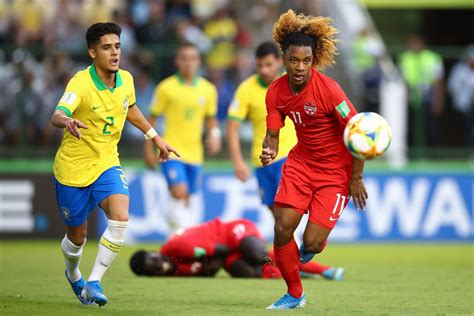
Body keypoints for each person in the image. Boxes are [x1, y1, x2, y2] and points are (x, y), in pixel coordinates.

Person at [50, 22, 178, 307]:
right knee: (77, 237)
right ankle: (74, 274)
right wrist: (67, 120)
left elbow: (130, 109)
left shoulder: (127, 80)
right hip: (72, 169)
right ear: (92, 53)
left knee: (120, 218)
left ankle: (94, 282)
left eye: (117, 46)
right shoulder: (80, 83)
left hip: (107, 163)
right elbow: (57, 114)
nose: (114, 53)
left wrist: (155, 137)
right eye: (107, 47)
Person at [259, 10, 368, 309]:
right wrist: (268, 150)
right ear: (284, 58)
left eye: (306, 61)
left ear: (313, 59)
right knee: (282, 229)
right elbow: (272, 135)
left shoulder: (330, 90)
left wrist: (356, 178)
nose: (300, 67)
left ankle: (306, 252)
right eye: (294, 60)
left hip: (336, 173)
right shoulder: (276, 92)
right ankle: (295, 294)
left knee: (312, 244)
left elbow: (358, 131)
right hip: (301, 165)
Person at [144, 42, 221, 230]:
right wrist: (148, 150)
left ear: (199, 61)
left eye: (193, 59)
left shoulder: (208, 90)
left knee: (187, 198)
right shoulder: (166, 88)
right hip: (170, 150)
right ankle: (184, 237)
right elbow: (150, 121)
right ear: (177, 61)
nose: (189, 63)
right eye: (184, 59)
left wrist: (215, 134)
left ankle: (175, 236)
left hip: (195, 153)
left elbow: (211, 119)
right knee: (179, 192)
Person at [129, 218, 343, 280]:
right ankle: (299, 274)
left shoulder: (177, 246)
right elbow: (209, 271)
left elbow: (219, 249)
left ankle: (323, 269)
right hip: (226, 256)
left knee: (259, 256)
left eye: (154, 261)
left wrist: (212, 265)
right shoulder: (173, 272)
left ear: (155, 253)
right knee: (250, 272)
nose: (160, 267)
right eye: (153, 270)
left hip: (232, 233)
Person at [227, 42, 297, 213]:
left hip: (290, 156)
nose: (264, 70)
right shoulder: (246, 89)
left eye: (268, 65)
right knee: (277, 217)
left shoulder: (294, 83)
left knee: (287, 212)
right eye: (260, 65)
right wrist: (238, 161)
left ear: (280, 61)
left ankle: (302, 236)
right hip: (262, 160)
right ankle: (295, 238)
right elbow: (232, 128)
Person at [399, 35, 444, 150]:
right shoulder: (405, 57)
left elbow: (438, 81)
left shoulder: (433, 57)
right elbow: (402, 80)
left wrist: (438, 100)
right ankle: (413, 153)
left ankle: (432, 154)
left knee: (431, 128)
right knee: (412, 128)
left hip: (428, 96)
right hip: (412, 98)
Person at [447, 44, 474, 148]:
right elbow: (451, 88)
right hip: (461, 107)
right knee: (464, 130)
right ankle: (465, 151)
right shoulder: (459, 70)